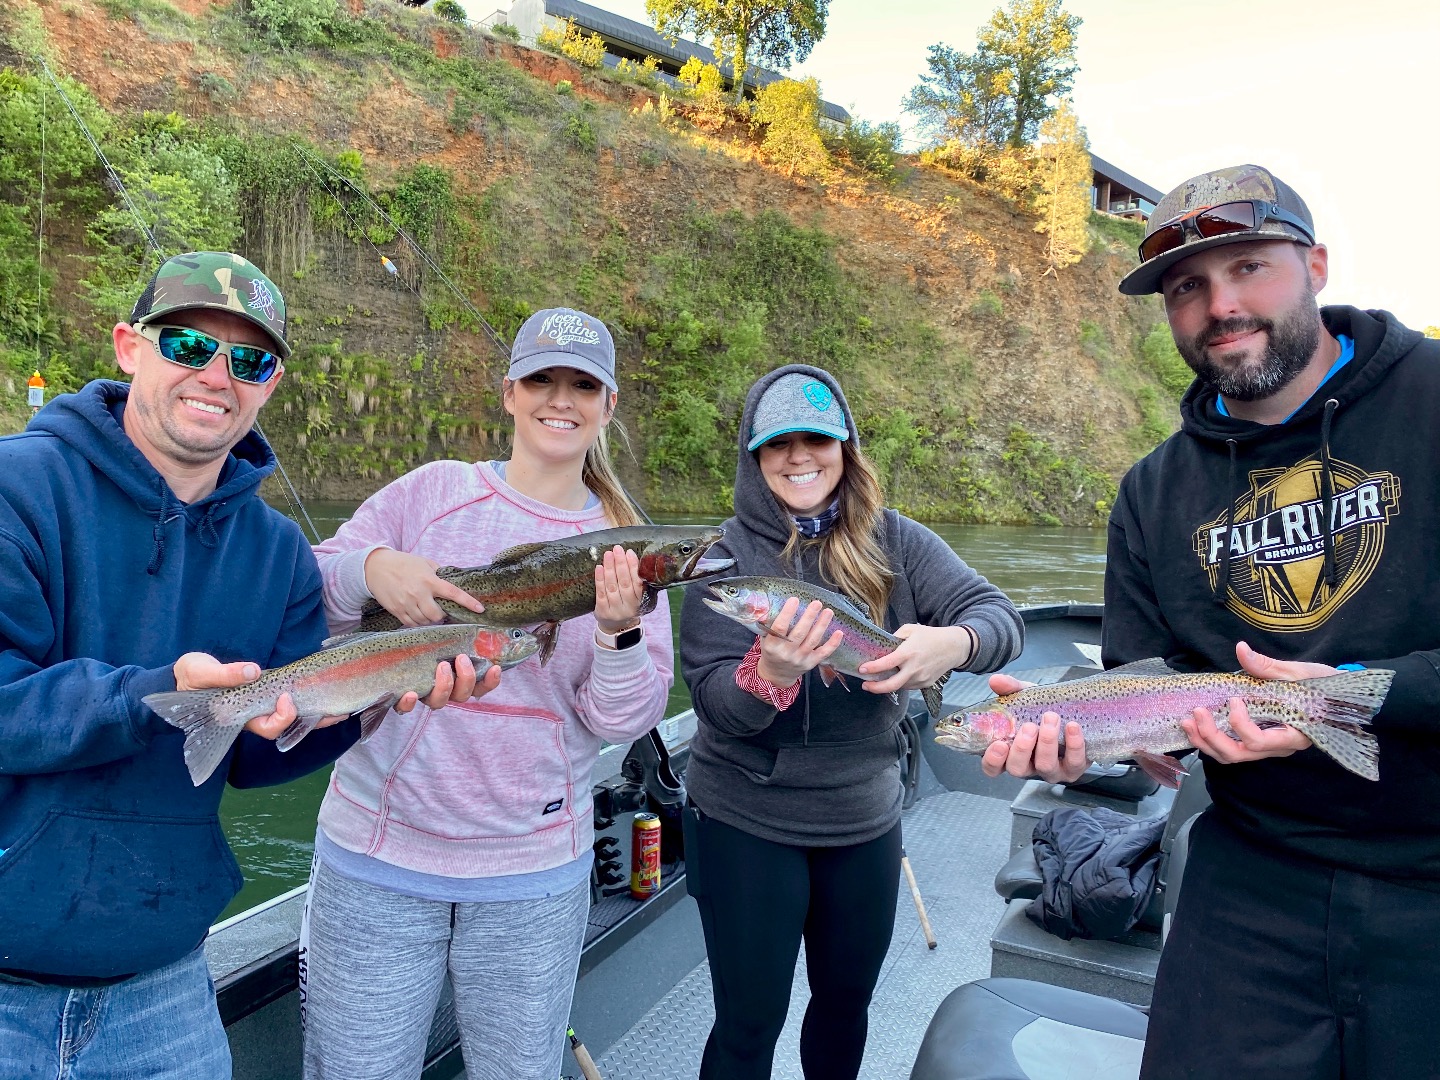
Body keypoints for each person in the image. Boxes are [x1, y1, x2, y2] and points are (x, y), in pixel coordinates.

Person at [982, 164, 1440, 1078]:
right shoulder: (1151, 493)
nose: (1220, 304)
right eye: (1187, 287)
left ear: (1315, 263)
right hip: (1252, 873)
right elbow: (1151, 688)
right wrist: (1113, 741)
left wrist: (1360, 693)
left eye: (1248, 267)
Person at [0, 252, 478, 1077]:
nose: (218, 376)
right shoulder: (17, 487)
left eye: (249, 360)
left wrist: (365, 701)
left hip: (167, 988)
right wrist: (154, 695)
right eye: (189, 345)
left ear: (271, 384)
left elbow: (256, 757)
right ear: (128, 346)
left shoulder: (280, 554)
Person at [301, 306, 674, 1080]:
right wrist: (371, 567)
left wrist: (617, 631)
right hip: (375, 859)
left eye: (583, 385)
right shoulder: (430, 493)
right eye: (542, 379)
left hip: (533, 878)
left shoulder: (628, 548)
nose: (560, 399)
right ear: (508, 392)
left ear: (608, 406)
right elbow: (313, 589)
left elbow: (623, 719)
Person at [679, 364, 1024, 1080]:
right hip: (746, 817)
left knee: (844, 1009)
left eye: (817, 439)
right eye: (778, 444)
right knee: (748, 1024)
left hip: (863, 818)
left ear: (846, 447)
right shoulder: (723, 560)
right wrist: (769, 675)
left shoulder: (898, 541)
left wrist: (948, 646)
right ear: (753, 457)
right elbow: (716, 706)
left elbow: (1001, 620)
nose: (799, 456)